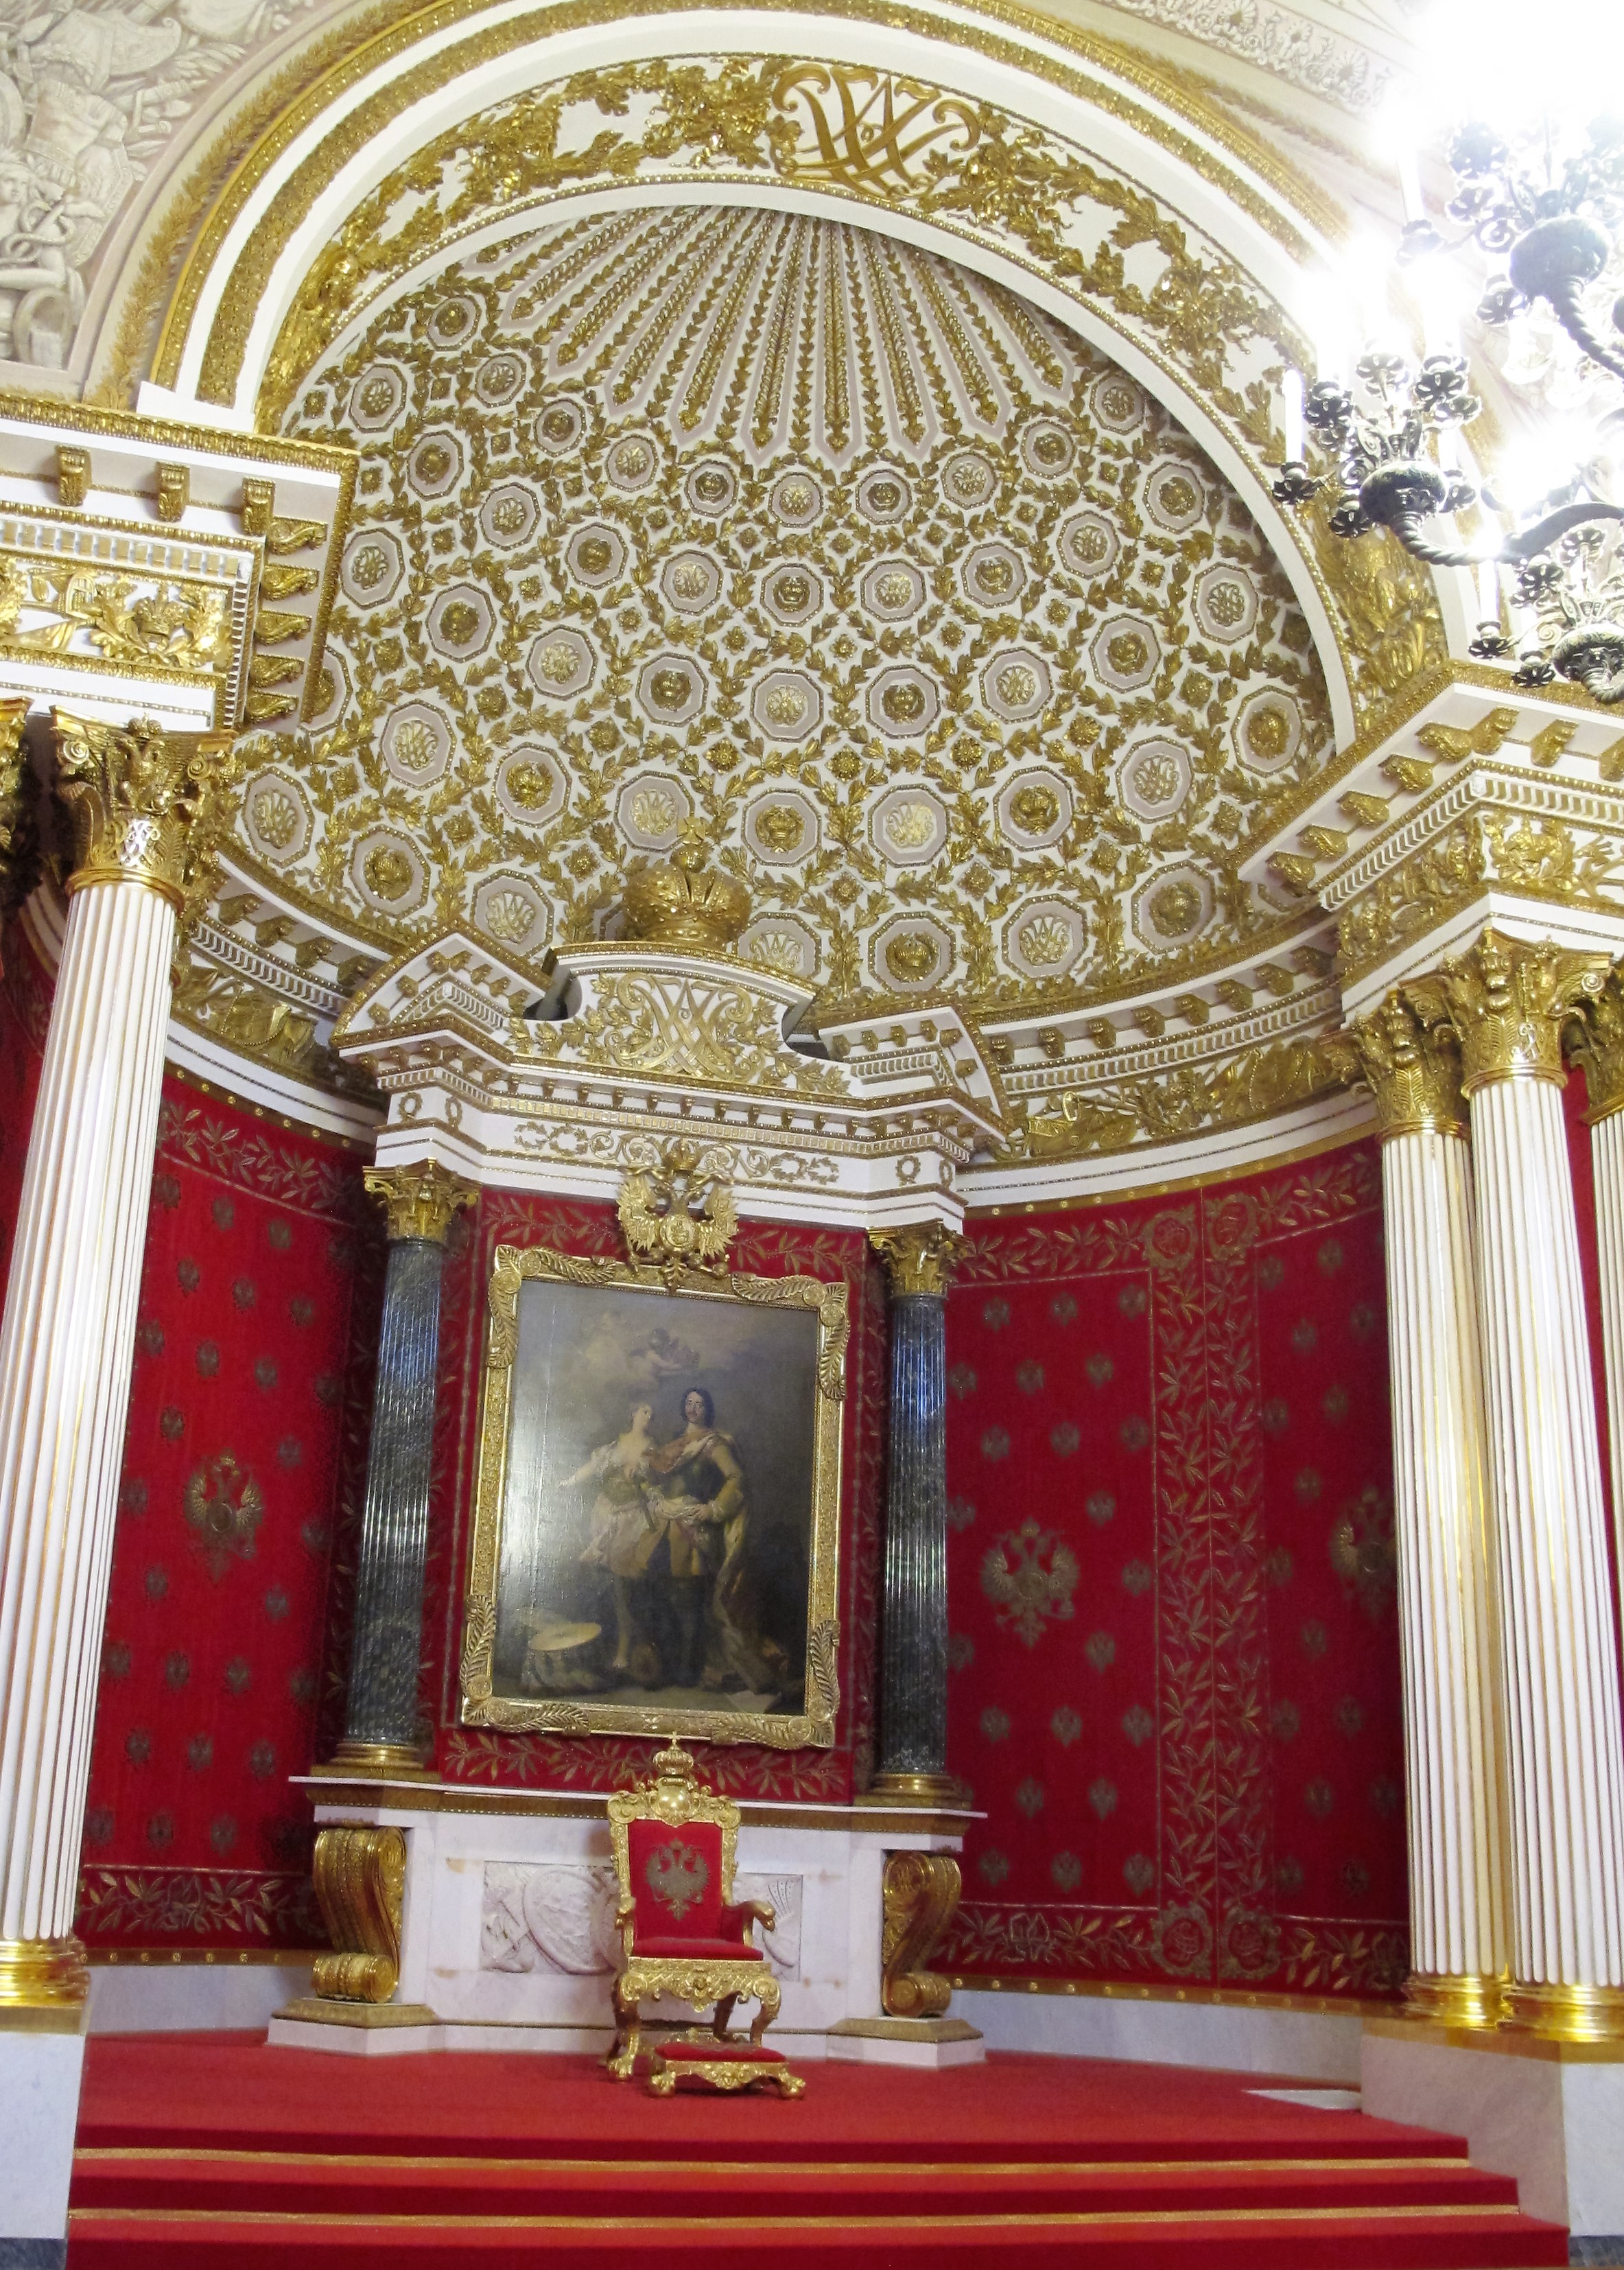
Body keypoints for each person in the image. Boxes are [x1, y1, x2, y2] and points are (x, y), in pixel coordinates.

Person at [568, 1402, 658, 1673]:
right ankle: (605, 1646)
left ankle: (628, 1648)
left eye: (651, 1414)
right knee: (610, 1587)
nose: (648, 1417)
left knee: (626, 1588)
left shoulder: (653, 1448)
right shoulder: (615, 1445)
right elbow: (593, 1467)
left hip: (632, 1520)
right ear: (632, 1414)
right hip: (606, 1514)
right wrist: (570, 1481)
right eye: (644, 1412)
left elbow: (651, 1484)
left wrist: (642, 1481)